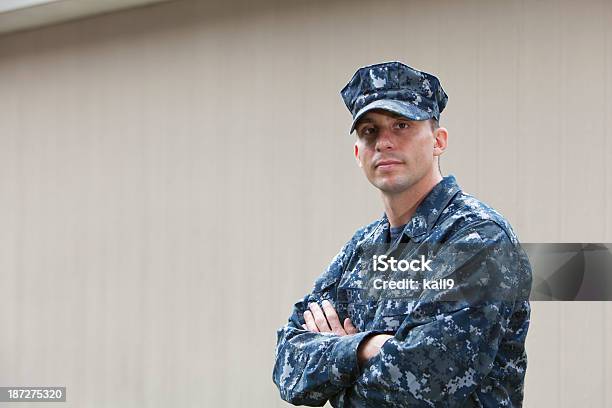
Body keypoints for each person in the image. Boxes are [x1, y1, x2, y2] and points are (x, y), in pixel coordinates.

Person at [272, 61, 532, 407]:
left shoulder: (477, 239)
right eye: (369, 131)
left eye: (401, 125)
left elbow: (422, 384)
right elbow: (288, 368)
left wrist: (336, 363)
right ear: (357, 154)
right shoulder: (362, 249)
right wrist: (365, 348)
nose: (384, 142)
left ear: (439, 140)